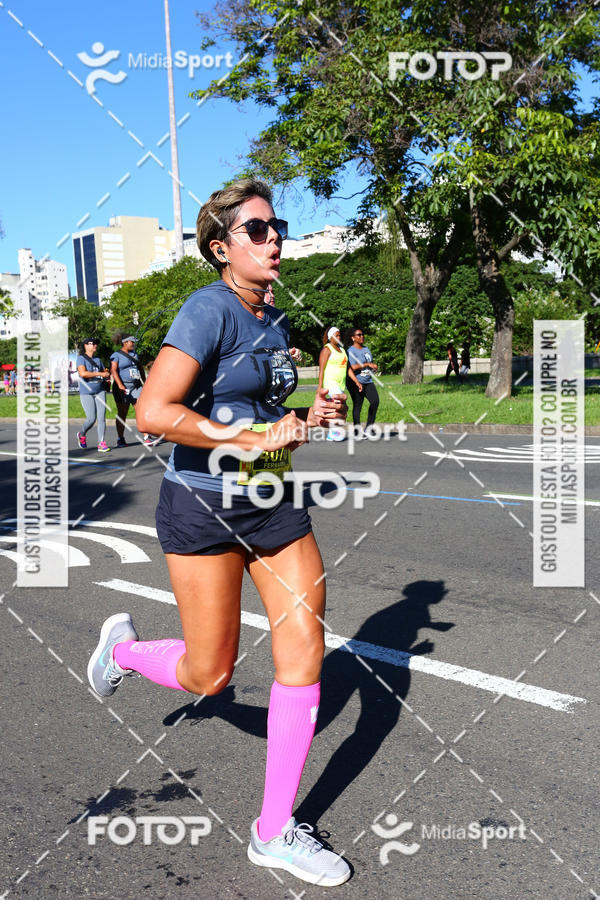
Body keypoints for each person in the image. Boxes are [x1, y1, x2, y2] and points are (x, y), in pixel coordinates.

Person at [87, 178, 351, 887]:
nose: (274, 240)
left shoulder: (272, 315)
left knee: (305, 648)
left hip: (271, 501)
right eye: (258, 230)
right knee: (211, 674)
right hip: (202, 507)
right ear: (221, 247)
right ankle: (125, 652)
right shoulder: (207, 310)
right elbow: (152, 411)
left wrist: (303, 418)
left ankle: (273, 831)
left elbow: (260, 414)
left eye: (277, 227)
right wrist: (251, 433)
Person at [318, 326, 362, 441]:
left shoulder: (342, 350)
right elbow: (321, 369)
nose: (338, 337)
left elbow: (348, 369)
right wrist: (320, 387)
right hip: (330, 382)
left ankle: (333, 432)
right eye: (336, 335)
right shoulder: (326, 350)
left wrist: (356, 381)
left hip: (340, 384)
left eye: (339, 335)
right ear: (330, 337)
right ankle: (334, 433)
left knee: (341, 407)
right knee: (338, 406)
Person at [110, 336, 146, 447]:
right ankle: (120, 438)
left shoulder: (135, 354)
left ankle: (146, 436)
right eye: (132, 342)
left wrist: (145, 383)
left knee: (141, 409)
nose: (133, 344)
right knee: (123, 412)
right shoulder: (116, 355)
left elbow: (140, 368)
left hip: (136, 386)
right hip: (122, 388)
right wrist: (120, 385)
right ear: (125, 342)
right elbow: (113, 370)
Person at [76, 339, 111, 452]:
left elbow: (103, 373)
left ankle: (101, 443)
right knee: (91, 419)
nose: (95, 345)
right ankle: (81, 434)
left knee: (102, 417)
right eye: (92, 343)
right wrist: (100, 373)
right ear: (86, 346)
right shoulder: (81, 358)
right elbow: (83, 373)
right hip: (86, 392)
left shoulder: (98, 360)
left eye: (96, 343)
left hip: (99, 390)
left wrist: (106, 376)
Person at [347, 327, 379, 435]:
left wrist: (373, 367)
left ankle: (369, 427)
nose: (362, 337)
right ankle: (357, 430)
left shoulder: (366, 349)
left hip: (368, 380)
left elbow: (369, 362)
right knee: (358, 405)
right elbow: (353, 367)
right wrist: (367, 364)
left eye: (362, 334)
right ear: (353, 338)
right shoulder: (351, 351)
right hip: (356, 381)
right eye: (359, 335)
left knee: (375, 401)